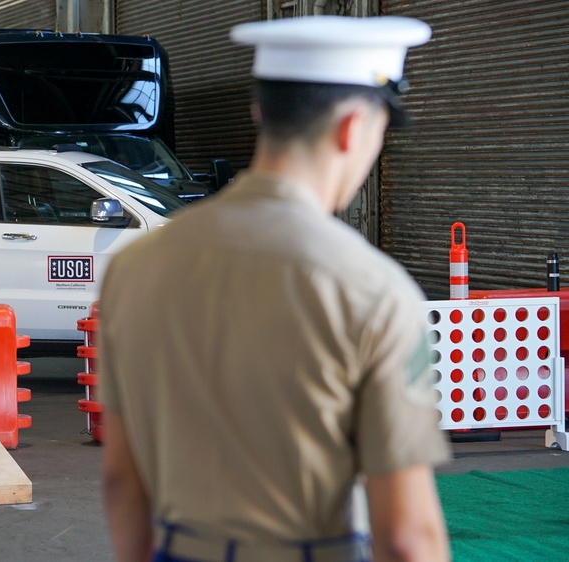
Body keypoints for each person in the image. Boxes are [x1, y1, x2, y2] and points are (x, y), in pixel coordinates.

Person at [98, 16, 452, 562]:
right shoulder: (374, 290)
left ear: (259, 112)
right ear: (354, 128)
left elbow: (122, 480)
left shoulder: (135, 266)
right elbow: (406, 536)